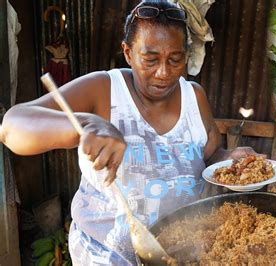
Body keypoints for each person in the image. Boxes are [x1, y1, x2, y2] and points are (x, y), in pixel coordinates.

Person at [0, 0, 257, 264]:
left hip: (178, 251)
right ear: (128, 52)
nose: (163, 73)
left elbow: (209, 155)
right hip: (104, 253)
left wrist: (230, 159)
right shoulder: (103, 89)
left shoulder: (195, 97)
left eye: (175, 59)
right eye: (150, 59)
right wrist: (86, 124)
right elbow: (12, 127)